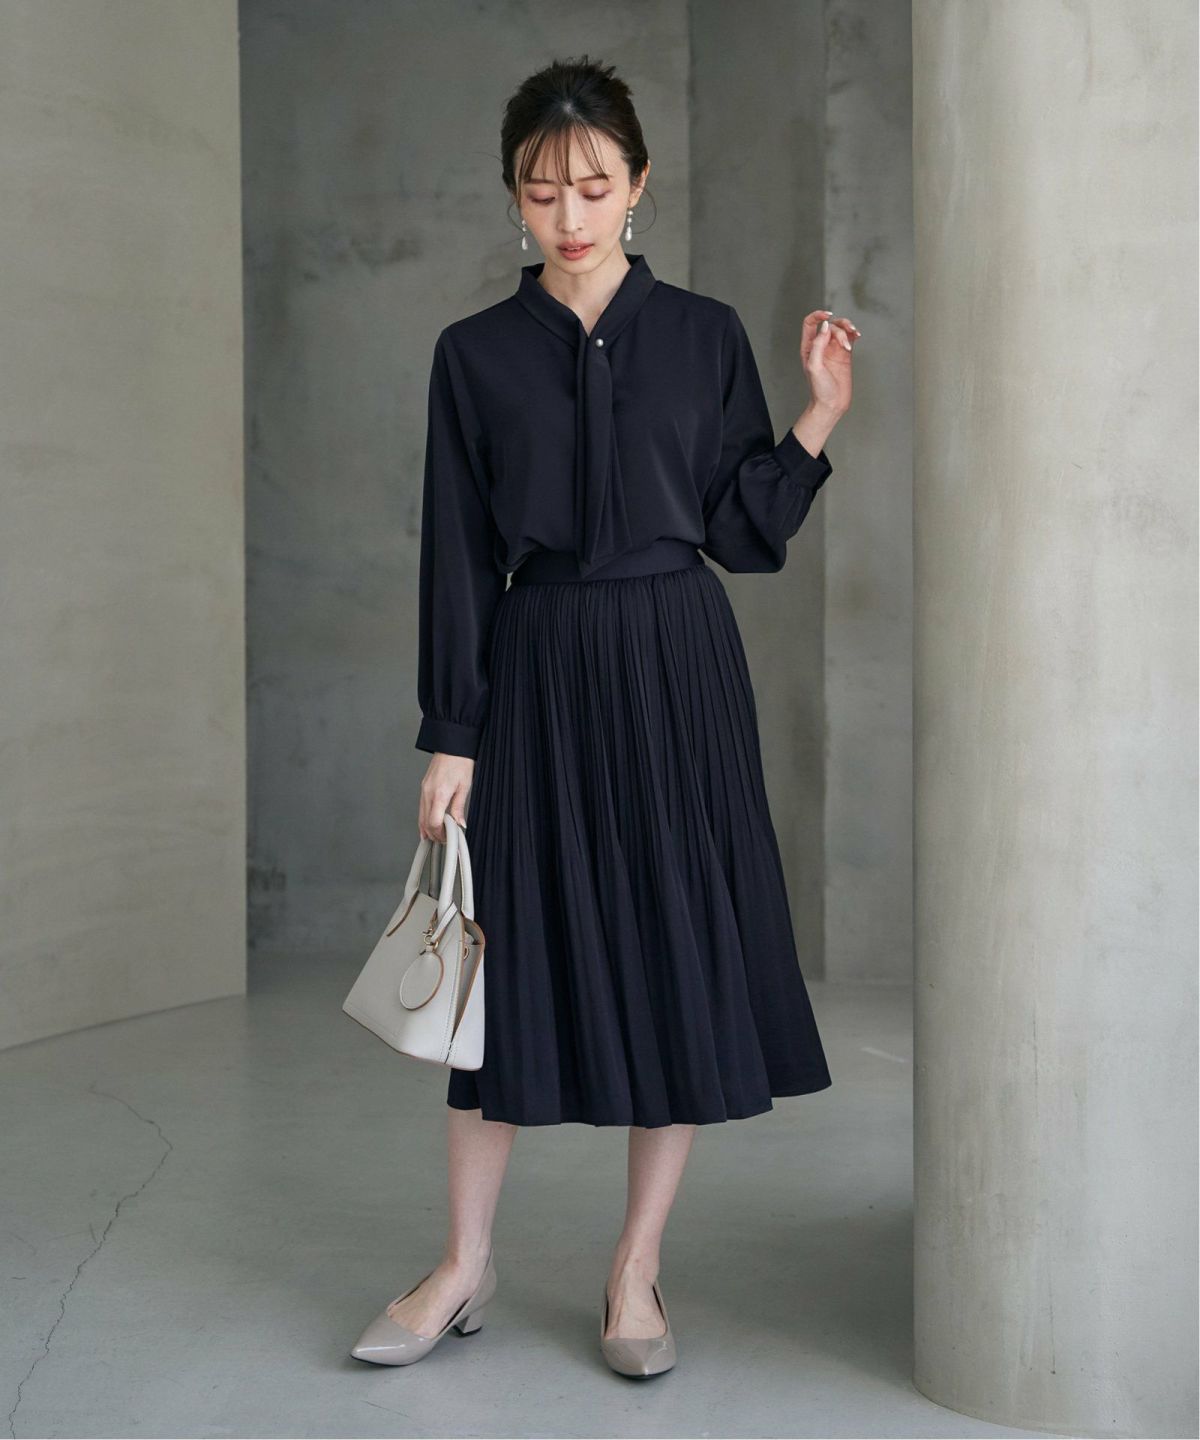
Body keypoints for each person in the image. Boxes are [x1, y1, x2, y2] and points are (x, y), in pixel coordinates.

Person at [351, 54, 858, 1376]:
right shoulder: (473, 357)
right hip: (534, 671)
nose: (568, 215)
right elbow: (457, 556)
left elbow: (740, 533)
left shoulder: (703, 334)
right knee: (503, 972)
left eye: (592, 186)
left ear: (638, 185)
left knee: (673, 951)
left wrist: (814, 423)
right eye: (542, 191)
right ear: (513, 198)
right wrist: (451, 731)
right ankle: (464, 1263)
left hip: (677, 668)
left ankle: (637, 1271)